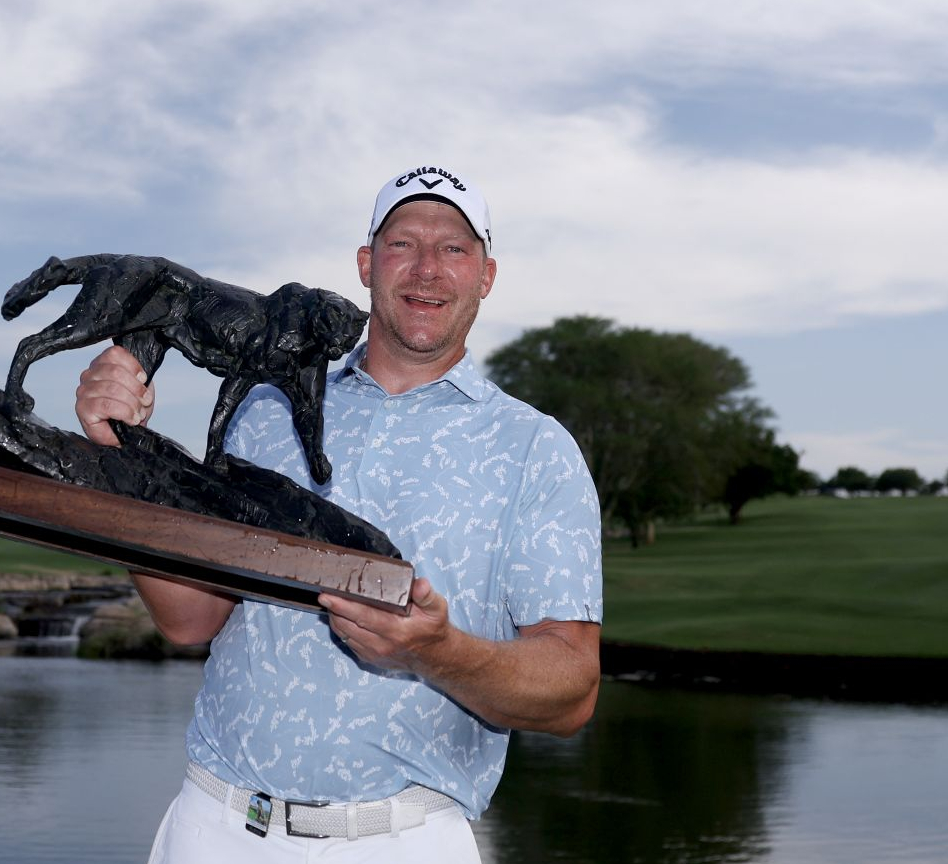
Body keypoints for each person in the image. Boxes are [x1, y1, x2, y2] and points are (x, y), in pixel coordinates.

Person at [74, 165, 603, 863]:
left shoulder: (535, 449)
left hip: (402, 842)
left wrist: (435, 652)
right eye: (402, 244)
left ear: (486, 275)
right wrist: (122, 457)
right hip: (215, 824)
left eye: (454, 249)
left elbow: (571, 691)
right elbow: (189, 618)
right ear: (365, 263)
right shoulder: (262, 408)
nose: (426, 269)